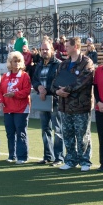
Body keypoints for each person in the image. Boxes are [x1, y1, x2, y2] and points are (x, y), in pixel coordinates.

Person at [51, 37, 94, 172]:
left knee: (82, 135)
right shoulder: (63, 64)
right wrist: (57, 91)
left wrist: (65, 90)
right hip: (65, 106)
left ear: (76, 47)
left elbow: (83, 81)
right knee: (68, 135)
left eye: (68, 46)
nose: (65, 49)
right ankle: (70, 160)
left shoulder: (86, 62)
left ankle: (85, 161)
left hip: (81, 106)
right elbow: (54, 83)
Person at [32, 37, 64, 166]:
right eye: (42, 49)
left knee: (57, 130)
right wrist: (38, 87)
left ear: (52, 49)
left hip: (55, 100)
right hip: (43, 100)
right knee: (45, 129)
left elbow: (60, 82)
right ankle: (47, 155)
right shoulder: (39, 65)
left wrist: (47, 90)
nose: (44, 51)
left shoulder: (59, 64)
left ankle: (59, 157)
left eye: (47, 49)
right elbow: (34, 79)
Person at [0, 51, 31, 164]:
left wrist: (14, 94)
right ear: (10, 63)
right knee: (10, 132)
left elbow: (26, 91)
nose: (16, 63)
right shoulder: (5, 76)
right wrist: (1, 101)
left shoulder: (24, 76)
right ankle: (12, 155)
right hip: (8, 109)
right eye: (14, 61)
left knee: (21, 132)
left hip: (21, 109)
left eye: (19, 61)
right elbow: (0, 91)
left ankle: (22, 156)